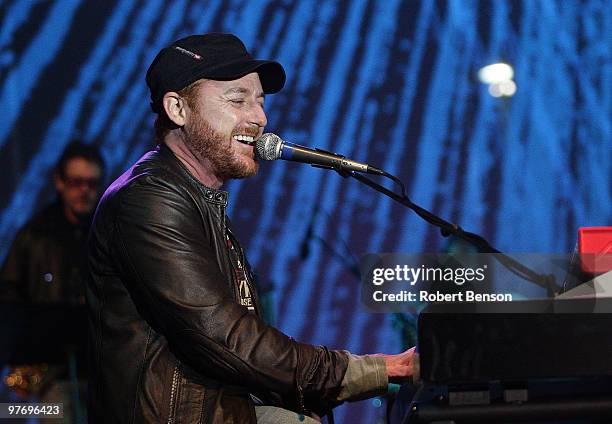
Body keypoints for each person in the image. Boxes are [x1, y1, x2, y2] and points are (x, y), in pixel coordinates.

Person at [86, 33, 415, 423]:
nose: (260, 118)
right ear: (177, 108)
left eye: (260, 101)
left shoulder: (201, 201)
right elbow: (227, 339)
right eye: (237, 99)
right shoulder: (149, 199)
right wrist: (377, 370)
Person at [0, 141, 103, 422]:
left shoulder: (109, 232)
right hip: (53, 375)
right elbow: (9, 296)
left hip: (102, 372)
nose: (84, 190)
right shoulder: (33, 236)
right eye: (76, 182)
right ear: (59, 182)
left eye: (92, 183)